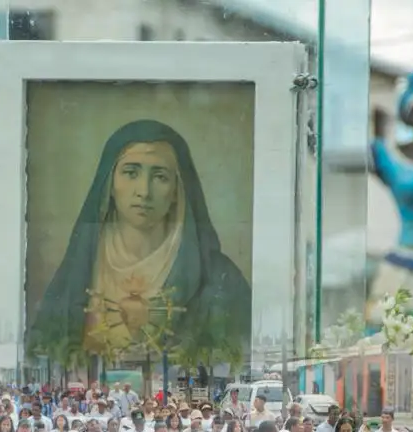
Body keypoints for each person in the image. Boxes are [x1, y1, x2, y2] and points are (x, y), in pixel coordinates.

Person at [28, 119, 252, 359]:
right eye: (131, 173)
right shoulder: (78, 271)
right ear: (110, 183)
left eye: (160, 177)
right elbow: (46, 349)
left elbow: (235, 353)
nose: (144, 191)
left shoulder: (221, 280)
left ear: (178, 190)